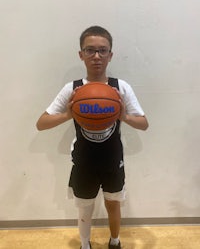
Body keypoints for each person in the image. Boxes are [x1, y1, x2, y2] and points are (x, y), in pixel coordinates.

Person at [36, 26, 148, 249]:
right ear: (81, 54)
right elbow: (41, 124)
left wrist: (123, 115)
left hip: (112, 159)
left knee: (113, 204)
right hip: (84, 160)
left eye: (102, 50)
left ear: (110, 55)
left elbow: (143, 124)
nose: (96, 56)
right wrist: (69, 114)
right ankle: (84, 245)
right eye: (90, 50)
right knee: (84, 208)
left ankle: (115, 242)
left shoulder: (120, 88)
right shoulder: (74, 89)